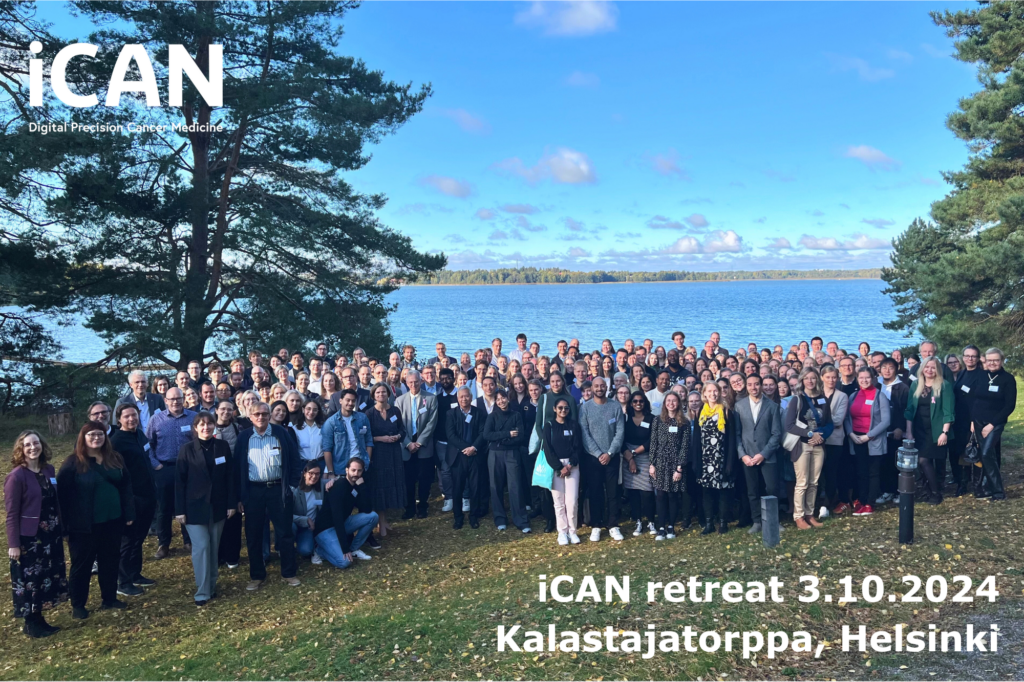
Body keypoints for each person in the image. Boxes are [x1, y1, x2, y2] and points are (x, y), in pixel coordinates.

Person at [58, 422, 136, 619]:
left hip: (112, 521)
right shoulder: (72, 463)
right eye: (91, 435)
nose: (96, 438)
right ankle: (78, 605)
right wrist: (64, 527)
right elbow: (62, 497)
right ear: (83, 438)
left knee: (110, 561)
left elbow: (126, 486)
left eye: (100, 434)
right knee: (82, 566)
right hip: (83, 526)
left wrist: (129, 513)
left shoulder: (114, 458)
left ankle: (109, 598)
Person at [233, 401, 302, 591]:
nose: (261, 417)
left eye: (264, 414)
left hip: (279, 489)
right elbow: (237, 469)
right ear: (250, 416)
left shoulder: (281, 434)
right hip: (254, 491)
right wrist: (239, 497)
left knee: (284, 532)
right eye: (257, 414)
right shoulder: (244, 437)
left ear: (269, 414)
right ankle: (257, 575)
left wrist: (293, 486)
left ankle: (289, 573)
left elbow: (295, 461)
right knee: (253, 534)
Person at [6, 431, 68, 637]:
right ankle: (31, 623)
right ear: (21, 450)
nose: (33, 448)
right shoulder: (16, 477)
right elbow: (12, 514)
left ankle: (40, 619)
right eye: (27, 445)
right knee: (31, 579)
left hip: (51, 534)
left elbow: (56, 501)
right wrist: (13, 544)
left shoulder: (48, 470)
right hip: (30, 538)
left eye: (36, 443)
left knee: (45, 577)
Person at [174, 412, 237, 606]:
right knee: (201, 548)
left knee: (213, 548)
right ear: (195, 428)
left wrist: (231, 503)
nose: (206, 427)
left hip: (218, 506)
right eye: (202, 424)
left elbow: (230, 477)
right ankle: (202, 592)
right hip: (194, 508)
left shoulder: (222, 446)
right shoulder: (186, 450)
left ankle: (211, 585)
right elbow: (179, 482)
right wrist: (179, 510)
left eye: (210, 424)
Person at [110, 404, 157, 597]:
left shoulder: (140, 435)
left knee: (139, 538)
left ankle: (135, 573)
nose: (132, 419)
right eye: (127, 416)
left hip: (148, 494)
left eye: (134, 415)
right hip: (132, 498)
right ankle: (123, 581)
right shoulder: (116, 442)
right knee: (127, 541)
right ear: (119, 419)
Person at [145, 387, 195, 559]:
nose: (175, 402)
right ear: (165, 400)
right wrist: (155, 464)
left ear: (183, 399)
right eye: (171, 399)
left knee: (186, 504)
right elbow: (148, 444)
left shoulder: (193, 417)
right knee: (164, 508)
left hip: (188, 469)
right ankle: (164, 543)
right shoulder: (156, 420)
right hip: (164, 468)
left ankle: (188, 540)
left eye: (178, 398)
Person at [735, 374, 784, 534]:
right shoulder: (739, 406)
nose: (753, 387)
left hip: (767, 456)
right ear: (746, 386)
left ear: (761, 385)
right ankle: (757, 521)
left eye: (756, 384)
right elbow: (737, 434)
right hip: (748, 457)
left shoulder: (772, 406)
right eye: (750, 384)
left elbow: (777, 434)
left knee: (772, 489)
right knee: (752, 490)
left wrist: (763, 454)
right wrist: (743, 455)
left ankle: (773, 521)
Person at [579, 377, 625, 542]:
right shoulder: (585, 408)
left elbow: (620, 432)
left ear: (607, 387)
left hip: (611, 457)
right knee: (595, 492)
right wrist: (598, 454)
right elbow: (584, 434)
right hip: (592, 458)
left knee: (613, 493)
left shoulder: (615, 406)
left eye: (602, 386)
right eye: (596, 386)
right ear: (591, 388)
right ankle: (596, 525)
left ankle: (613, 525)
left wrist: (610, 452)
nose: (599, 388)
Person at [785, 369, 832, 530]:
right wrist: (810, 433)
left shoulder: (823, 400)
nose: (810, 381)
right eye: (807, 378)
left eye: (813, 378)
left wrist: (821, 436)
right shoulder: (797, 400)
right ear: (802, 381)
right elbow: (789, 425)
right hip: (802, 445)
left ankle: (809, 514)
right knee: (802, 482)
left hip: (819, 445)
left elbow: (829, 423)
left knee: (814, 482)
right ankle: (798, 516)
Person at [904, 357, 955, 505]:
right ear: (922, 369)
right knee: (920, 462)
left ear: (937, 369)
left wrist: (944, 432)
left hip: (936, 430)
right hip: (919, 430)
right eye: (927, 367)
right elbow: (909, 409)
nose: (929, 370)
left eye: (933, 367)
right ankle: (927, 489)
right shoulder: (915, 385)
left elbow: (948, 411)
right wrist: (909, 431)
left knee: (924, 460)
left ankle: (935, 493)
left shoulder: (944, 385)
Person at [968, 347, 1015, 500]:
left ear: (1002, 361)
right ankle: (985, 487)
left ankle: (998, 492)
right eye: (989, 360)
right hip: (978, 421)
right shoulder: (981, 376)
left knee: (987, 452)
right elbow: (974, 399)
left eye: (996, 360)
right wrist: (972, 421)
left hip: (995, 423)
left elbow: (1009, 405)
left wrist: (992, 424)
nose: (993, 363)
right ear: (985, 361)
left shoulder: (1007, 379)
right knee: (985, 454)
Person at [313, 457, 376, 568]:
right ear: (346, 470)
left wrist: (362, 486)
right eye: (353, 470)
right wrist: (344, 547)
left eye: (359, 470)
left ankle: (353, 549)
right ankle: (319, 551)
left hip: (342, 523)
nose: (356, 473)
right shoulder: (339, 486)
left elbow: (367, 509)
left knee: (373, 516)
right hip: (325, 529)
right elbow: (337, 517)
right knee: (344, 562)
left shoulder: (357, 486)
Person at [844, 367, 890, 517]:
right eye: (861, 378)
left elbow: (886, 421)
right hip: (856, 438)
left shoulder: (879, 396)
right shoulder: (853, 396)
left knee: (873, 472)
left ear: (873, 378)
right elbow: (847, 418)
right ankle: (861, 501)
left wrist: (868, 436)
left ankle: (870, 503)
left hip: (873, 439)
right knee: (860, 471)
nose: (864, 380)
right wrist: (850, 433)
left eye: (867, 378)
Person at [482, 389, 529, 532]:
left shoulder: (516, 415)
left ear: (507, 398)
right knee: (495, 486)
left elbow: (520, 436)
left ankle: (521, 520)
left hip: (512, 453)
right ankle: (500, 518)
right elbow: (487, 435)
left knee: (515, 485)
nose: (501, 401)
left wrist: (501, 440)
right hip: (495, 454)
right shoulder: (492, 416)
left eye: (503, 398)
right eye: (498, 399)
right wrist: (507, 434)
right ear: (495, 402)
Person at [394, 370, 438, 519]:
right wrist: (408, 443)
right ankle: (410, 508)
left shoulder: (431, 398)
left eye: (416, 381)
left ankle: (423, 506)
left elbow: (432, 423)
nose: (413, 384)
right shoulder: (399, 401)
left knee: (425, 479)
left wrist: (418, 443)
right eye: (410, 382)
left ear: (421, 381)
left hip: (424, 446)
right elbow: (398, 425)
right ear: (406, 383)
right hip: (406, 446)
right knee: (408, 479)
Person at [540, 397, 583, 545]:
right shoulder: (549, 426)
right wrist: (559, 467)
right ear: (554, 409)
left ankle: (573, 531)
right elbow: (547, 448)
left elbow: (578, 447)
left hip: (572, 466)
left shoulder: (574, 425)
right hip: (556, 466)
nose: (563, 410)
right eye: (560, 408)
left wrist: (570, 465)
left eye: (566, 408)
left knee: (572, 501)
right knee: (558, 502)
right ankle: (562, 532)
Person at [648, 392, 690, 540]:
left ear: (678, 403)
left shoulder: (684, 423)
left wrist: (680, 468)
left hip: (675, 464)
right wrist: (652, 464)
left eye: (674, 401)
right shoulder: (657, 421)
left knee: (672, 495)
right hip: (660, 462)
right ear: (665, 403)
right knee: (660, 495)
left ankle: (671, 526)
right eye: (668, 401)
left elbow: (685, 447)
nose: (671, 403)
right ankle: (661, 527)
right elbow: (653, 443)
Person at [366, 383, 406, 536]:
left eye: (384, 392)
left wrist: (398, 436)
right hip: (378, 454)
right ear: (373, 395)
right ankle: (381, 522)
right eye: (378, 392)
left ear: (388, 394)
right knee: (379, 486)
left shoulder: (395, 410)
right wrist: (381, 438)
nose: (381, 394)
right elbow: (366, 436)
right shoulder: (369, 413)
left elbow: (402, 429)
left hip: (394, 453)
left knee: (390, 484)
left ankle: (385, 520)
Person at [697, 382, 737, 535]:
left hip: (721, 458)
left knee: (723, 492)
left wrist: (729, 463)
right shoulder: (700, 411)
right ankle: (709, 524)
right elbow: (696, 440)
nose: (713, 394)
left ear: (720, 393)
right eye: (710, 391)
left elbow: (732, 439)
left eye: (716, 391)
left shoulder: (726, 412)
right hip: (705, 459)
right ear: (705, 394)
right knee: (706, 492)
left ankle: (723, 523)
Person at [445, 387, 488, 529]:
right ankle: (458, 517)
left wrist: (473, 448)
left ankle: (474, 516)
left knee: (475, 488)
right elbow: (451, 436)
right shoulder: (451, 414)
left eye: (467, 396)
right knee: (457, 489)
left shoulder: (479, 413)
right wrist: (467, 448)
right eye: (461, 397)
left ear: (471, 397)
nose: (464, 399)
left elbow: (483, 433)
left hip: (475, 456)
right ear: (458, 398)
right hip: (458, 457)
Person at [622, 391, 656, 537]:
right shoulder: (625, 418)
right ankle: (638, 520)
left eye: (641, 401)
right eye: (635, 401)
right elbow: (620, 438)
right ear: (631, 403)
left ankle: (650, 520)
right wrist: (629, 458)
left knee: (647, 491)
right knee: (633, 491)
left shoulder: (652, 418)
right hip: (627, 455)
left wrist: (634, 454)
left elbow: (652, 440)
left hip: (644, 455)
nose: (638, 404)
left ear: (645, 403)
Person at [320, 388, 373, 479]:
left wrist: (367, 461)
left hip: (361, 467)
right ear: (340, 401)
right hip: (341, 469)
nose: (350, 403)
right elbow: (327, 449)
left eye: (353, 401)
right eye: (347, 400)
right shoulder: (331, 422)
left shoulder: (362, 418)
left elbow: (369, 441)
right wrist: (331, 472)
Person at [952, 346, 983, 496]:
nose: (970, 359)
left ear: (978, 358)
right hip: (960, 419)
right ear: (963, 357)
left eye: (973, 356)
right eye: (967, 356)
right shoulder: (962, 373)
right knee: (962, 451)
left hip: (973, 419)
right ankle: (963, 483)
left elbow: (978, 400)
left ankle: (978, 485)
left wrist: (974, 420)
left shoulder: (981, 375)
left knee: (975, 451)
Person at [818, 366, 849, 518]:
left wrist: (818, 425)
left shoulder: (842, 396)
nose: (831, 380)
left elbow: (838, 420)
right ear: (822, 377)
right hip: (816, 440)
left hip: (834, 440)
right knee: (818, 472)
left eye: (834, 377)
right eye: (828, 377)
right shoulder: (816, 394)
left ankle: (827, 504)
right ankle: (818, 502)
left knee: (831, 472)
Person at [290, 462, 323, 562]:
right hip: (295, 524)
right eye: (311, 473)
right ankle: (286, 548)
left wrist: (333, 481)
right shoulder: (294, 490)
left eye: (317, 474)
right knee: (290, 526)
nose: (314, 476)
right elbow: (285, 515)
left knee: (306, 551)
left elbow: (336, 481)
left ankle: (307, 544)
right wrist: (306, 519)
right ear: (304, 473)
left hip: (308, 529)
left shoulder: (320, 487)